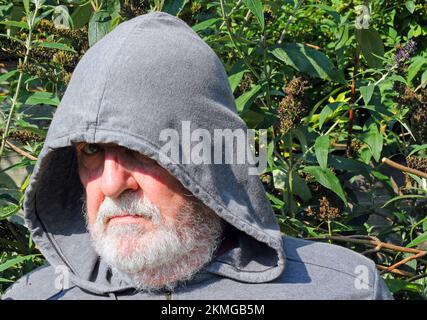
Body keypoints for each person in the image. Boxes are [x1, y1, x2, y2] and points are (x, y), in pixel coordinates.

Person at [2, 12, 392, 300]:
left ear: (208, 157)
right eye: (91, 151)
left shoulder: (339, 289)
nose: (112, 183)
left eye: (140, 148)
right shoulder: (33, 296)